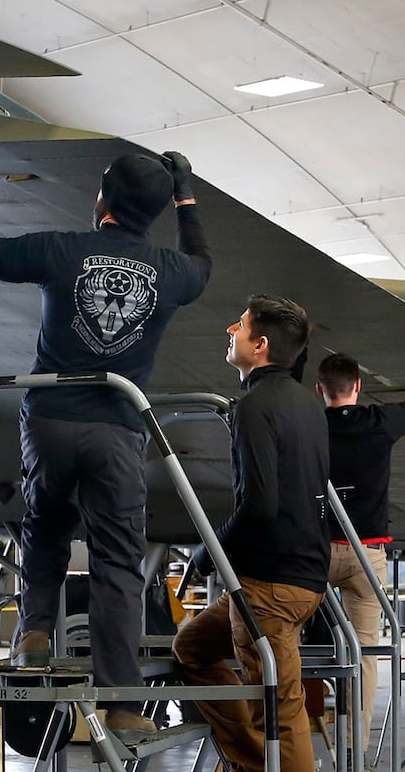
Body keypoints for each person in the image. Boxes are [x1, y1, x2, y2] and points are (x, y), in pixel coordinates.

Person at [0, 142, 211, 736]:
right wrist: (187, 194)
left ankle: (36, 631)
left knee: (44, 523)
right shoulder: (172, 273)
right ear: (158, 210)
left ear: (103, 201)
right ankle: (122, 705)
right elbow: (204, 261)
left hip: (50, 421)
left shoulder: (61, 250)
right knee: (118, 561)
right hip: (117, 430)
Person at [173, 295, 328, 772]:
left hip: (269, 586)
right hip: (303, 575)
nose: (229, 331)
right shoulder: (307, 403)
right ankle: (250, 761)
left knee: (281, 710)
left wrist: (207, 552)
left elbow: (259, 507)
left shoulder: (254, 407)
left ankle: (267, 762)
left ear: (259, 345)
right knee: (192, 646)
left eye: (238, 326)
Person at [317, 320, 405, 733]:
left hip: (314, 554)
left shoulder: (307, 423)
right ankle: (355, 747)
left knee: (286, 638)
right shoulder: (380, 421)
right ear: (358, 387)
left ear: (318, 390)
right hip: (366, 554)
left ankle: (292, 730)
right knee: (365, 652)